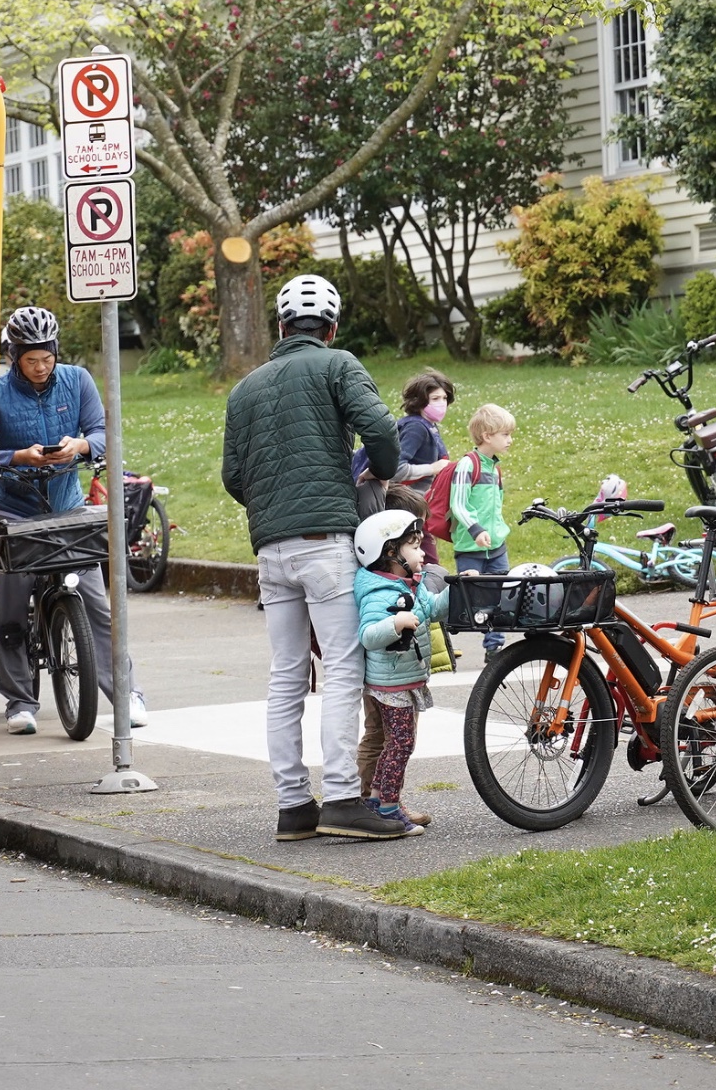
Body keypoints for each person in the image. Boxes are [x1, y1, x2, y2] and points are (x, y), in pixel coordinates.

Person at [221, 273, 408, 842]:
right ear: (331, 327)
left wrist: (272, 507)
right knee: (344, 669)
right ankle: (345, 800)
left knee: (286, 677)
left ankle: (293, 806)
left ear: (280, 327)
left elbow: (233, 477)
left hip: (271, 550)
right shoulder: (336, 364)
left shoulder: (244, 389)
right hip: (326, 542)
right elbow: (378, 427)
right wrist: (380, 466)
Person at [0, 306, 145, 736]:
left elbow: (101, 432)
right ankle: (20, 701)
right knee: (10, 607)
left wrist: (79, 446)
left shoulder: (77, 380)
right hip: (12, 507)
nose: (40, 368)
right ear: (13, 356)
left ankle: (128, 693)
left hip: (66, 505)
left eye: (46, 358)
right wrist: (16, 457)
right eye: (30, 360)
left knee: (96, 602)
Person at [353, 506, 448, 836]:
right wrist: (395, 623)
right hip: (389, 684)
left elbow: (432, 609)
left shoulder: (410, 584)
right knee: (401, 745)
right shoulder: (380, 592)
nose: (422, 552)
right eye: (415, 545)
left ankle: (378, 800)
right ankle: (391, 809)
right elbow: (368, 635)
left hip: (403, 679)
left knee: (397, 744)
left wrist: (459, 590)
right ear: (391, 551)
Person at [445, 404, 517, 656]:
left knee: (499, 595)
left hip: (496, 546)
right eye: (505, 434)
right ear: (487, 436)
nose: (510, 440)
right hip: (470, 548)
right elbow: (458, 504)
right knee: (476, 600)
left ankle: (494, 646)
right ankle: (449, 630)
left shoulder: (494, 469)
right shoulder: (467, 465)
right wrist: (476, 530)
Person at [359, 369, 455, 516]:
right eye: (435, 399)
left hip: (415, 505)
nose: (442, 404)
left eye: (444, 398)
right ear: (420, 400)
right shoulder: (416, 428)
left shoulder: (428, 425)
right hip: (405, 507)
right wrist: (431, 468)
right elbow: (393, 469)